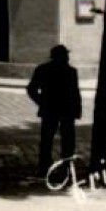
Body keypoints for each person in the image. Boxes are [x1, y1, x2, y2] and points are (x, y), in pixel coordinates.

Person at [27, 43, 82, 173]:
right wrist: (77, 110)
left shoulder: (43, 69)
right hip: (66, 110)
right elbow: (75, 93)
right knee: (66, 140)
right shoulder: (71, 71)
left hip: (50, 109)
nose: (68, 58)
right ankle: (66, 167)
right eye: (66, 55)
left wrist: (41, 102)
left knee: (47, 139)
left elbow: (31, 89)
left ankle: (44, 166)